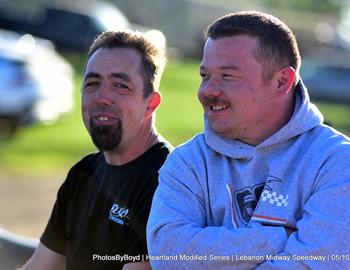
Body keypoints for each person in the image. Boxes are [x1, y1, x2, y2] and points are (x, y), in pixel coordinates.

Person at [147, 10, 350, 269]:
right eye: (205, 76)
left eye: (228, 76)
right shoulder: (187, 163)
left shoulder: (337, 162)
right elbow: (168, 254)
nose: (208, 91)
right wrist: (280, 237)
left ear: (282, 81)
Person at [22, 30, 172, 270]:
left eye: (120, 85)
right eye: (92, 84)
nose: (102, 97)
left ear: (150, 104)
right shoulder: (82, 174)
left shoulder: (169, 183)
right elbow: (41, 266)